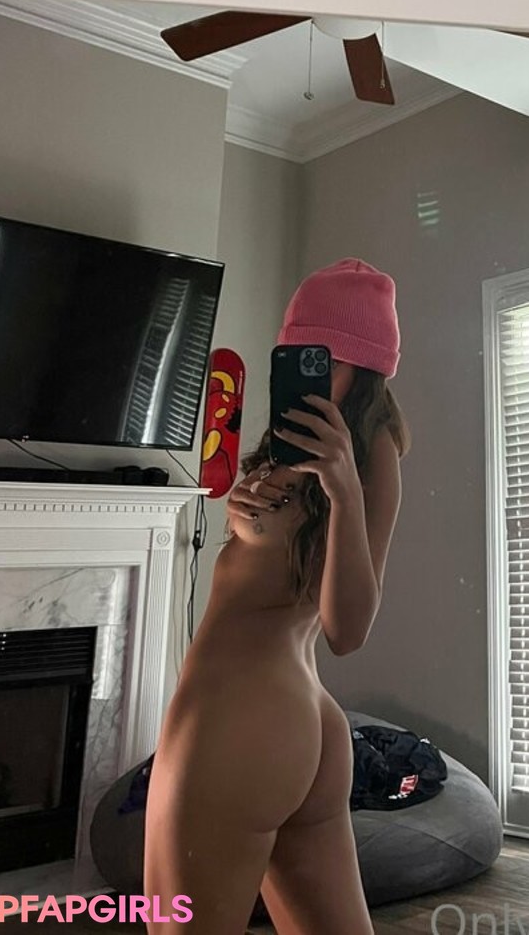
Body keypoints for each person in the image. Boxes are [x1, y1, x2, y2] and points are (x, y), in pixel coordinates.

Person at [144, 259, 410, 935]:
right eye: (296, 354)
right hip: (299, 720)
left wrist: (344, 491)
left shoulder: (368, 453)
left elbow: (347, 629)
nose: (307, 371)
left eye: (325, 359)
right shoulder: (293, 448)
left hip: (241, 716)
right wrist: (245, 508)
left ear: (366, 368)